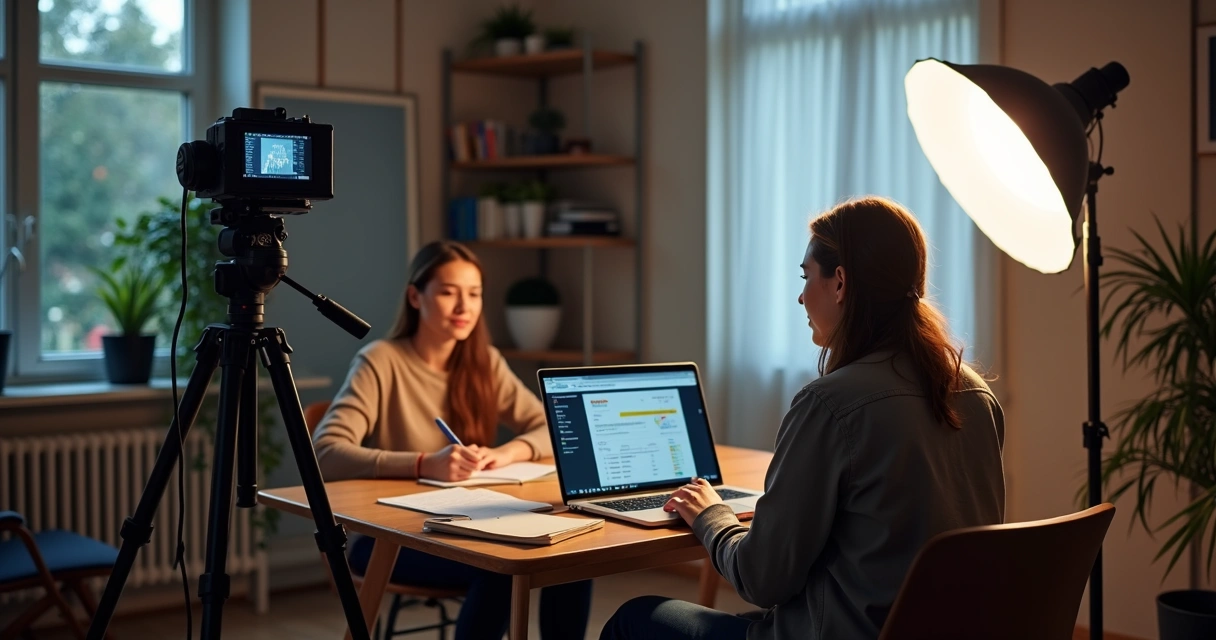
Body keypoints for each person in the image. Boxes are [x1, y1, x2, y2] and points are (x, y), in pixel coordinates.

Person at [600, 196, 1006, 640]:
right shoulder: (973, 391)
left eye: (806, 276)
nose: (800, 294)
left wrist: (711, 517)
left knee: (635, 617)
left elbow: (762, 580)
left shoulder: (830, 404)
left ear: (840, 283)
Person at [312, 240, 593, 640]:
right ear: (415, 296)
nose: (464, 308)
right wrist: (424, 462)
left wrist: (504, 452)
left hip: (472, 522)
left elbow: (552, 424)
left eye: (474, 295)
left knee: (571, 556)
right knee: (497, 567)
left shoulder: (484, 362)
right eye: (448, 293)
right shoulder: (381, 361)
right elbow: (326, 453)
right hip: (391, 537)